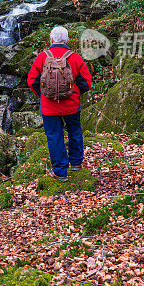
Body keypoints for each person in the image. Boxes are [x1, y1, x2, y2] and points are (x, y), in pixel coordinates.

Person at [26, 26, 92, 182]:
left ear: (51, 40)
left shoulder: (42, 57)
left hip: (49, 108)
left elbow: (32, 81)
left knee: (55, 137)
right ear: (67, 40)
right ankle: (76, 163)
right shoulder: (75, 58)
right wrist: (74, 94)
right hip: (71, 106)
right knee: (74, 131)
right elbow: (86, 82)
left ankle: (61, 172)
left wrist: (42, 95)